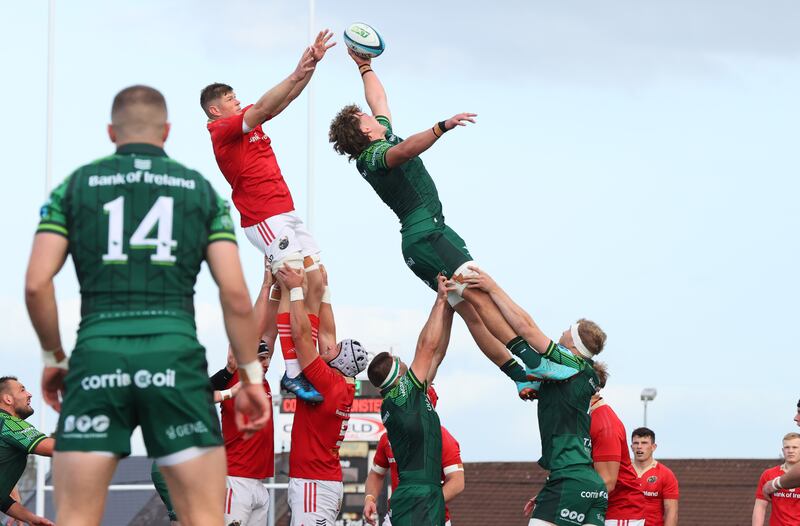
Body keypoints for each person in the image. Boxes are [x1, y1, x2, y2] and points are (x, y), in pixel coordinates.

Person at [25, 85, 270, 526]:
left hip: (99, 355)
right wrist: (251, 375)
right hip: (174, 360)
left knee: (76, 516)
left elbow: (37, 284)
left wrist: (52, 358)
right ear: (168, 131)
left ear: (110, 132)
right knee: (204, 517)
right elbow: (234, 295)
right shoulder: (200, 191)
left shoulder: (75, 186)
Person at [329, 50, 541, 401]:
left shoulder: (378, 139)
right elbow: (407, 151)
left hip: (421, 240)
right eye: (365, 115)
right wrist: (441, 127)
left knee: (471, 311)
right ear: (364, 128)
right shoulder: (374, 155)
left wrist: (364, 65)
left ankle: (520, 376)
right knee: (483, 291)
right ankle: (535, 359)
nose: (372, 114)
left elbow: (378, 97)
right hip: (428, 235)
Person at [201, 30, 335, 402]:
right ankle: (293, 372)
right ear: (216, 109)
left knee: (317, 280)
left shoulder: (246, 122)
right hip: (263, 217)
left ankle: (301, 359)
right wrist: (296, 70)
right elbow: (264, 105)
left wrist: (310, 67)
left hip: (285, 211)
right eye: (230, 99)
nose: (237, 101)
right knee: (294, 284)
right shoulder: (221, 128)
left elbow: (283, 101)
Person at [458, 267, 608, 526]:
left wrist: (491, 288)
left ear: (573, 344)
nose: (559, 332)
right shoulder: (564, 374)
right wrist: (461, 306)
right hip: (589, 484)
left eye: (565, 331)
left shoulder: (572, 364)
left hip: (569, 479)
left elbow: (524, 330)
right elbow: (502, 355)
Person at [275, 264, 368, 525]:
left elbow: (302, 336)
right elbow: (327, 334)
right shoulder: (342, 384)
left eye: (336, 349)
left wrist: (295, 290)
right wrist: (323, 290)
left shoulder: (327, 382)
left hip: (313, 485)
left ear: (341, 361)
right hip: (323, 483)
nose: (329, 347)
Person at [366, 275, 455, 526]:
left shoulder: (406, 397)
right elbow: (426, 347)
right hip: (418, 493)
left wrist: (450, 308)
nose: (405, 361)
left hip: (416, 492)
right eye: (399, 362)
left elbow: (437, 354)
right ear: (397, 377)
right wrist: (440, 300)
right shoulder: (402, 396)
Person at [363, 387, 464, 526]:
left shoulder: (442, 437)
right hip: (395, 517)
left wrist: (425, 504)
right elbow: (376, 474)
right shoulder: (388, 438)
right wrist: (370, 498)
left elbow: (457, 482)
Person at [588, 379, 646, 526]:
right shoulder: (589, 417)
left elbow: (607, 482)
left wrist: (565, 500)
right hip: (603, 510)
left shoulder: (604, 423)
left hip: (618, 512)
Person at [0, 377, 55, 526]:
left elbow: (2, 499)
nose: (29, 394)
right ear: (8, 399)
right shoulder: (8, 423)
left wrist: (30, 518)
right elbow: (54, 448)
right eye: (22, 390)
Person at [630, 427, 679, 526]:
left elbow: (671, 511)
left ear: (653, 447)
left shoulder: (666, 474)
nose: (639, 447)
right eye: (636, 443)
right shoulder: (622, 471)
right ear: (631, 447)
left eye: (644, 443)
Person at [753, 432, 800, 525]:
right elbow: (760, 507)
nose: (790, 451)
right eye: (787, 447)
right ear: (783, 450)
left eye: (795, 447)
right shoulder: (769, 474)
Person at [763, 399, 800, 498]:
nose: (795, 418)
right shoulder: (768, 474)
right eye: (787, 447)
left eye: (799, 412)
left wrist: (774, 484)